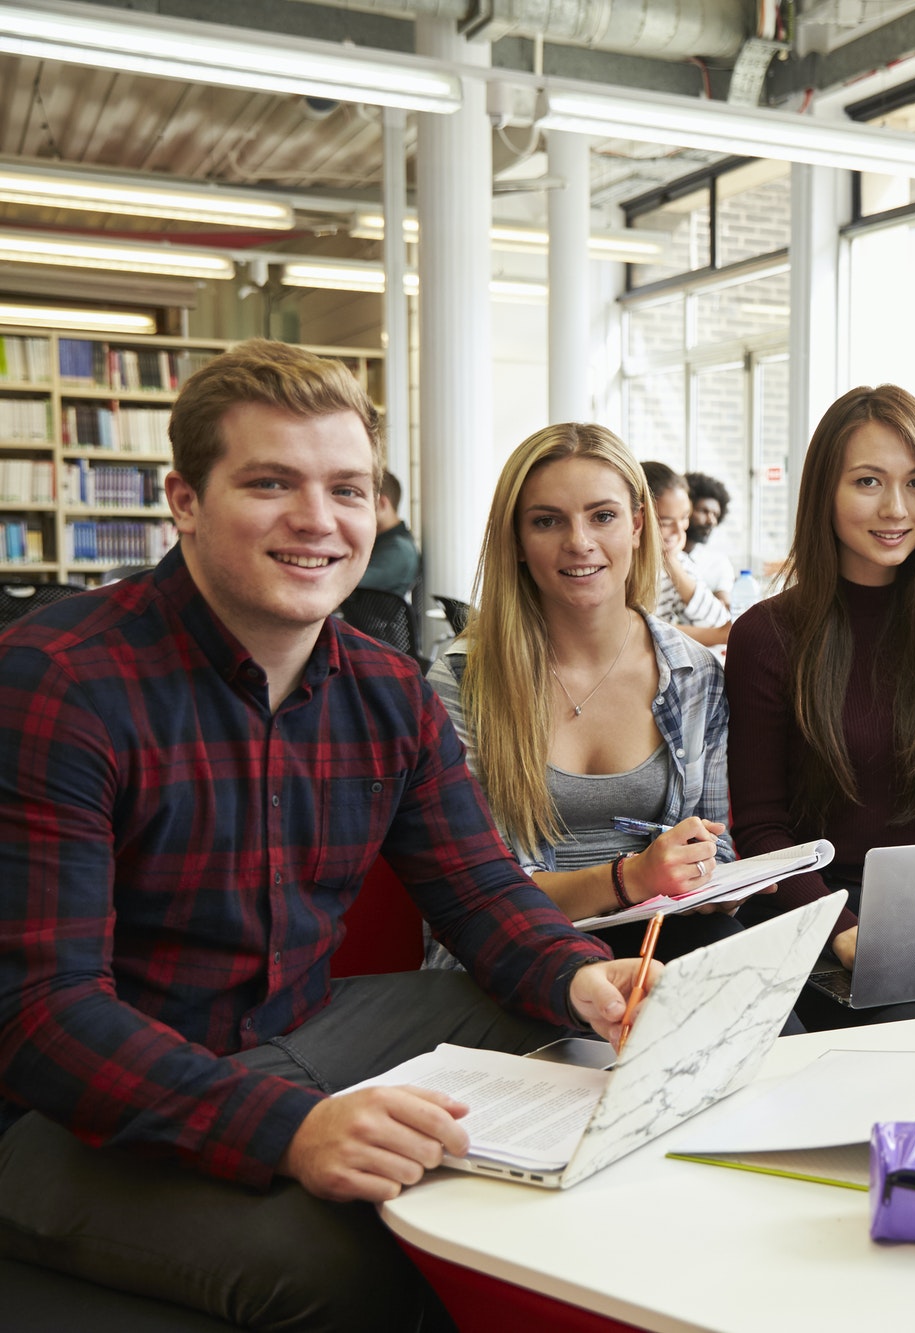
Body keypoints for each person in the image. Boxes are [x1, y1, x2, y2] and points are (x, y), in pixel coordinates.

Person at [0, 341, 652, 1330]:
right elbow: (42, 1014)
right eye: (270, 483)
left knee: (591, 1053)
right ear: (184, 500)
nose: (317, 521)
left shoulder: (387, 690)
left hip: (299, 1029)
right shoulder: (58, 679)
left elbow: (479, 895)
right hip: (75, 1104)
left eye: (347, 488)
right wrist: (289, 1130)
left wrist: (579, 977)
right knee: (356, 1263)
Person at [725, 385, 915, 1027]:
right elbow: (760, 829)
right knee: (906, 1024)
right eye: (867, 481)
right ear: (824, 494)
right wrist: (844, 927)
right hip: (812, 909)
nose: (895, 508)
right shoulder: (767, 635)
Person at [430, 425, 736, 964]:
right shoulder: (463, 680)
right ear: (518, 543)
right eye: (547, 521)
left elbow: (717, 843)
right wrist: (630, 878)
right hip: (515, 958)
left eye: (603, 516)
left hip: (663, 943)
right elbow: (477, 893)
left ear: (638, 525)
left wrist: (709, 875)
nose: (579, 542)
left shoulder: (694, 674)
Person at [642, 459, 731, 649]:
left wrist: (671, 561)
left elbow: (719, 620)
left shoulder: (677, 561)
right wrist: (715, 635)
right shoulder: (622, 567)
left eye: (684, 518)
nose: (679, 531)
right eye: (665, 522)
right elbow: (638, 631)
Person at [355, 468, 420, 598]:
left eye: (360, 500)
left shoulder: (399, 549)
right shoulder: (385, 542)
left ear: (381, 503)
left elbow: (345, 583)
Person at [686, 470, 737, 605]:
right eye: (704, 511)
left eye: (715, 515)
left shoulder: (719, 563)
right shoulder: (659, 558)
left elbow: (725, 610)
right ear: (685, 510)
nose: (711, 521)